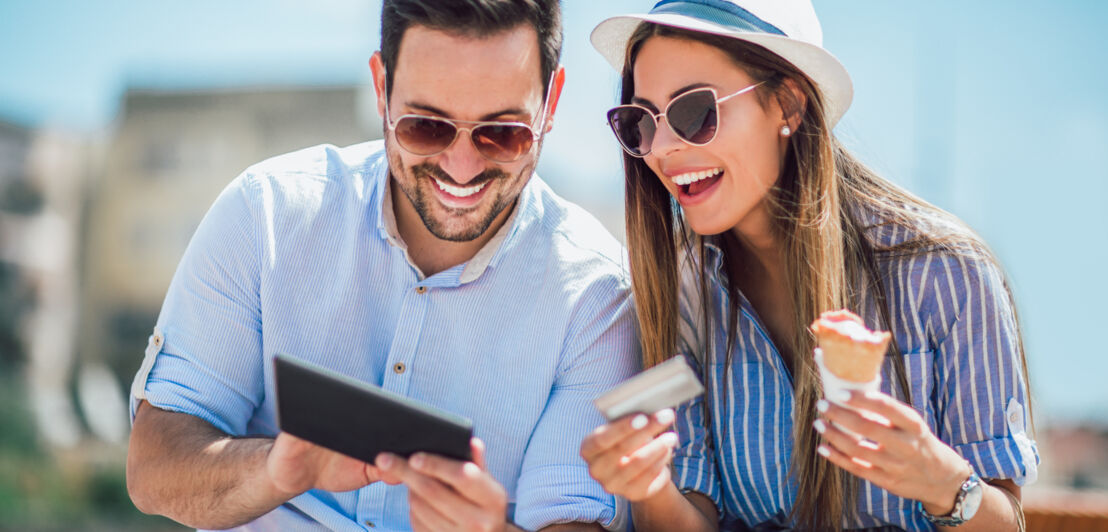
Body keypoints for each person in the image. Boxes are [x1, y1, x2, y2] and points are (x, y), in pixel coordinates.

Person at [125, 1, 638, 530]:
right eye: (426, 127)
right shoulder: (266, 214)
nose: (461, 168)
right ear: (380, 85)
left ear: (550, 101)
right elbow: (153, 469)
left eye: (503, 133)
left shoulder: (597, 297)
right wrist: (275, 471)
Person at [579, 0, 1038, 530]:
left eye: (694, 112)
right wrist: (650, 487)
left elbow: (1007, 522)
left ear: (788, 106)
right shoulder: (684, 289)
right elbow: (695, 514)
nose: (661, 148)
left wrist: (941, 482)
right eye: (641, 121)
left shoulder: (947, 273)